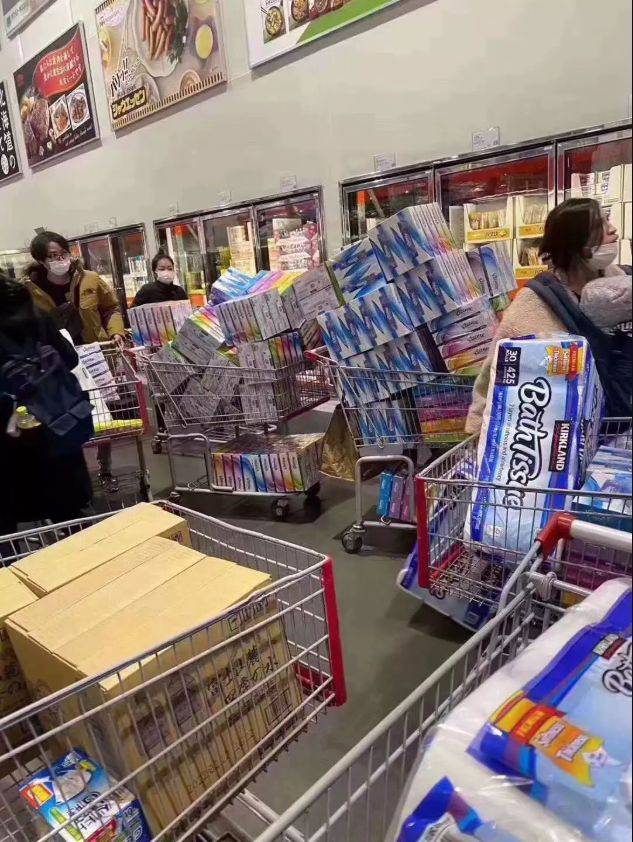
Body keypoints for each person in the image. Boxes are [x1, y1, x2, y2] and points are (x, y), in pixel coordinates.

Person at [466, 198, 632, 434]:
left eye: (608, 221)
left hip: (622, 436)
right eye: (600, 226)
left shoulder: (624, 288)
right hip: (559, 437)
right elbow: (495, 371)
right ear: (575, 240)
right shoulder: (534, 303)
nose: (613, 229)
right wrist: (477, 430)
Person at [23, 231, 126, 487]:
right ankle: (73, 471)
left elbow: (111, 307)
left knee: (102, 412)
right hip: (57, 363)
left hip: (95, 355)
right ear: (40, 260)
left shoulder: (90, 279)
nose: (60, 260)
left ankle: (105, 467)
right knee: (67, 416)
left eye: (63, 253)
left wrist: (116, 332)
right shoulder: (29, 290)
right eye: (52, 256)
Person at [0, 274, 92, 543]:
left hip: (9, 441)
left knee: (7, 524)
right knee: (70, 511)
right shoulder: (39, 316)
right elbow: (70, 358)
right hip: (56, 426)